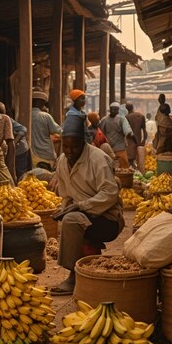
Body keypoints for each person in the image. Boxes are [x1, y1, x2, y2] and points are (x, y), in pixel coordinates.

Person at [50, 121, 124, 295]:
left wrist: (81, 206)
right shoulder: (62, 161)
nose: (69, 151)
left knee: (71, 220)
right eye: (65, 146)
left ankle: (73, 277)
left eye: (74, 147)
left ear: (83, 143)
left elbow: (110, 193)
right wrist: (66, 208)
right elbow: (67, 195)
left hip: (108, 219)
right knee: (68, 219)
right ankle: (84, 268)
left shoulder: (98, 159)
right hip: (84, 216)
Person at [0, 102, 31, 180]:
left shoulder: (7, 119)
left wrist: (14, 143)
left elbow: (23, 129)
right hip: (7, 152)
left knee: (19, 173)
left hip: (20, 150)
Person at [31, 90, 62, 171]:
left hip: (31, 154)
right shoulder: (45, 116)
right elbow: (58, 131)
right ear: (40, 103)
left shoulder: (25, 115)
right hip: (46, 154)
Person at [99, 102, 133, 169]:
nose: (114, 111)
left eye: (116, 109)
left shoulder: (122, 119)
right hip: (109, 149)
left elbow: (127, 130)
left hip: (120, 148)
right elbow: (101, 133)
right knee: (110, 167)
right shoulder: (104, 120)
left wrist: (129, 134)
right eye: (112, 109)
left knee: (124, 167)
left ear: (118, 110)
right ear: (110, 110)